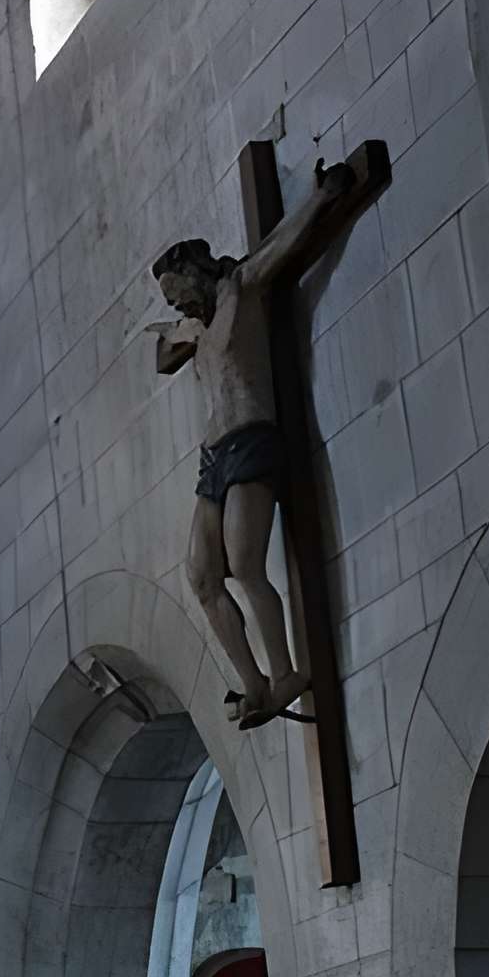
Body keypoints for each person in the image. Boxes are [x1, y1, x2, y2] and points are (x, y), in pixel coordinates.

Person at [146, 156, 371, 729]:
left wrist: (321, 199)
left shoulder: (241, 287)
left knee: (246, 565)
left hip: (253, 441)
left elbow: (282, 245)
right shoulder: (195, 325)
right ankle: (255, 686)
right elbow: (162, 350)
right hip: (213, 458)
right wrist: (171, 332)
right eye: (172, 301)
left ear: (200, 273)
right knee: (200, 575)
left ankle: (287, 673)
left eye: (180, 293)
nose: (178, 306)